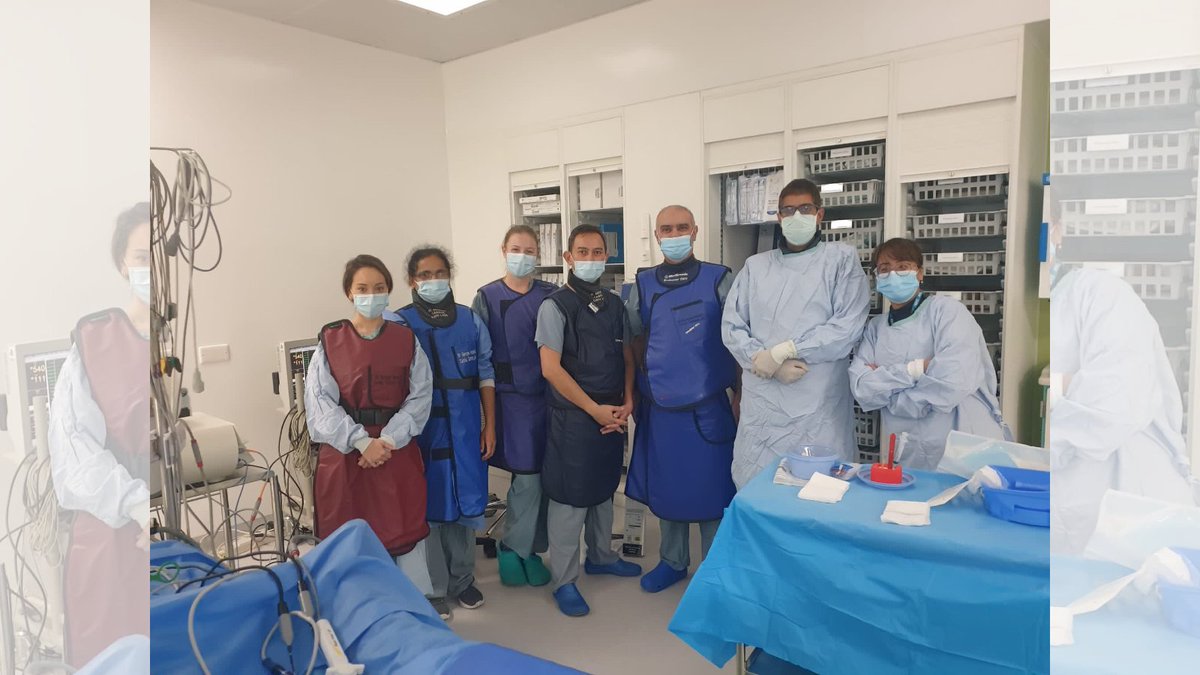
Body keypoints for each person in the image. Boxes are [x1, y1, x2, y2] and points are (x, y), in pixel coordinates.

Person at [1046, 198, 1197, 554]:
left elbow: (1114, 403)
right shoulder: (1053, 302)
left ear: (1058, 231)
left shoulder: (1101, 292)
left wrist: (1059, 388)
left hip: (1135, 504)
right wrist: (1068, 386)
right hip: (1071, 515)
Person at [48, 203, 152, 668]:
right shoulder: (95, 341)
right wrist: (133, 504)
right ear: (121, 265)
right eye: (139, 255)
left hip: (163, 530)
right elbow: (74, 455)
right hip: (110, 534)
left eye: (159, 254)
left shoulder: (177, 338)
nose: (151, 265)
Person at [722, 178, 870, 488]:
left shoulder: (840, 260)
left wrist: (785, 350)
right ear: (778, 217)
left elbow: (847, 327)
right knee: (760, 490)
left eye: (805, 208)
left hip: (817, 403)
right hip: (764, 408)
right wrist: (764, 361)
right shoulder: (756, 267)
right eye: (788, 210)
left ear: (820, 214)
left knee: (820, 491)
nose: (796, 216)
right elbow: (732, 326)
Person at [305, 254, 434, 599]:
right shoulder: (330, 343)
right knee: (348, 538)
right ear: (349, 293)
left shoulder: (407, 341)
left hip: (395, 451)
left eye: (379, 288)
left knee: (402, 531)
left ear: (389, 291)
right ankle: (354, 612)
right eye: (362, 288)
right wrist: (362, 442)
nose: (371, 295)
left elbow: (421, 398)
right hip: (347, 456)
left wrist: (387, 440)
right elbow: (320, 406)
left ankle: (413, 609)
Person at [625, 205, 737, 593]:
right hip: (661, 405)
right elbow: (634, 339)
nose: (674, 234)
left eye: (681, 227)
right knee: (668, 485)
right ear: (656, 235)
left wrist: (739, 395)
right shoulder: (642, 284)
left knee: (712, 489)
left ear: (695, 231)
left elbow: (736, 340)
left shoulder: (719, 279)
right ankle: (672, 561)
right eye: (666, 228)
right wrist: (641, 389)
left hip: (708, 404)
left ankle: (714, 571)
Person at [537, 224, 642, 617]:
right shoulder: (556, 306)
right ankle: (564, 580)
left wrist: (627, 400)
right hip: (574, 416)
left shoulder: (615, 305)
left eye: (598, 252)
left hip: (612, 410)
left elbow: (627, 356)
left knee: (602, 489)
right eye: (583, 252)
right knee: (570, 497)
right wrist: (592, 409)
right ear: (568, 258)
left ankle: (601, 555)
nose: (591, 259)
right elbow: (551, 369)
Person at [387, 247, 494, 620]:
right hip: (422, 432)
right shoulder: (399, 323)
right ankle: (430, 589)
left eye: (440, 273)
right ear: (412, 281)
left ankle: (462, 581)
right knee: (428, 510)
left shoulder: (469, 319)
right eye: (425, 274)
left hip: (465, 429)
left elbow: (485, 373)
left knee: (465, 503)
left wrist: (489, 425)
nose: (433, 280)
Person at [848, 238, 1009, 470]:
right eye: (884, 269)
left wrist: (890, 393)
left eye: (903, 267)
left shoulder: (947, 312)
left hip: (965, 444)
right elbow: (862, 388)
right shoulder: (876, 329)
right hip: (911, 449)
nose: (893, 275)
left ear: (920, 273)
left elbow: (953, 381)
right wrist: (919, 369)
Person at [472, 226, 556, 588]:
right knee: (528, 480)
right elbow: (479, 358)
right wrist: (486, 418)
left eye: (530, 249)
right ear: (503, 250)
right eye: (516, 248)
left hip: (551, 398)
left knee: (547, 479)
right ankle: (511, 547)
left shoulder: (551, 296)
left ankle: (532, 550)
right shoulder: (487, 298)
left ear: (539, 255)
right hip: (512, 400)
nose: (523, 255)